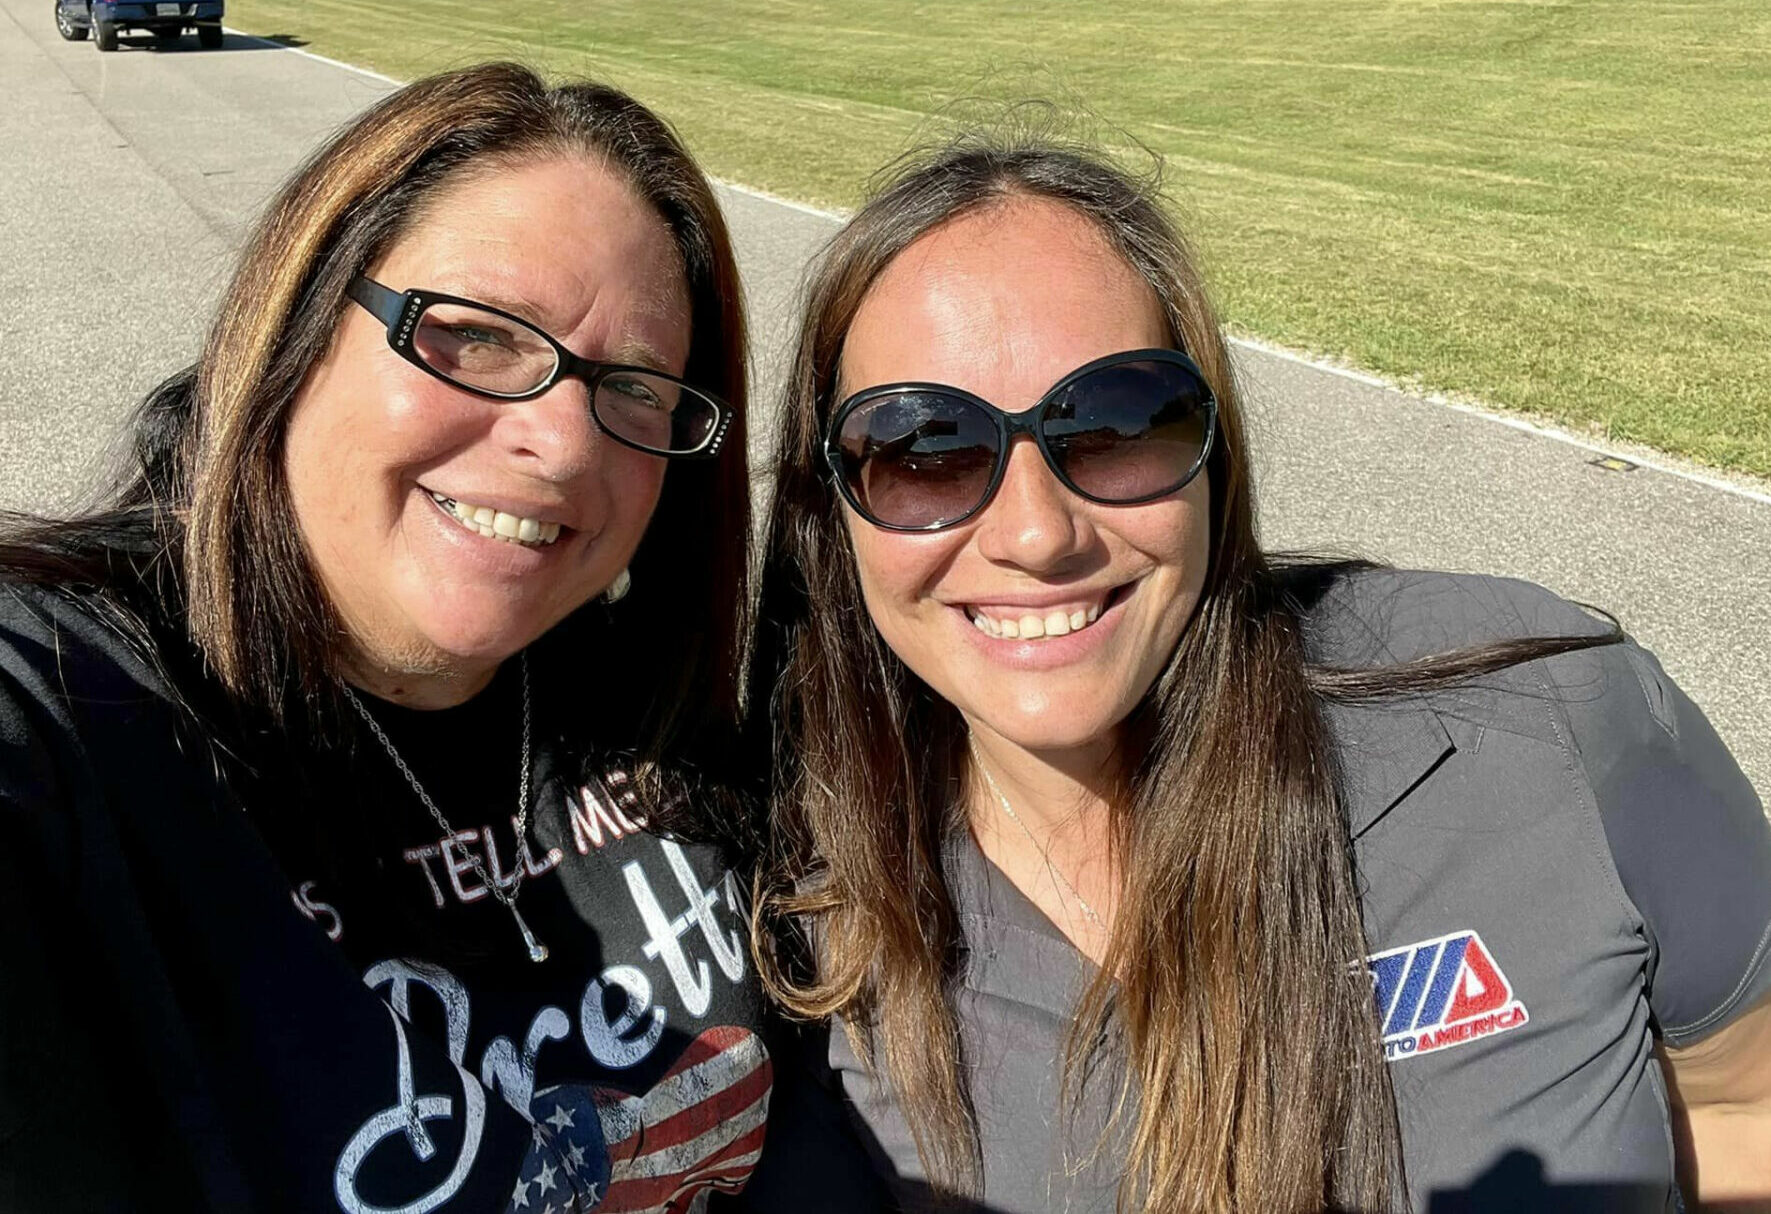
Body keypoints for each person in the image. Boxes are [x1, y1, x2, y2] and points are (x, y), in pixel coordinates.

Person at [749, 132, 1771, 1213]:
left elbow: (1740, 1110)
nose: (1037, 533)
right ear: (832, 512)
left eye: (1117, 422)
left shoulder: (1543, 714)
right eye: (924, 450)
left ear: (1213, 456)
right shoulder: (804, 906)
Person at [0, 62, 789, 1213]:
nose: (564, 446)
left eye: (634, 387)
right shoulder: (86, 716)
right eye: (473, 337)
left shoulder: (654, 697)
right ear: (301, 324)